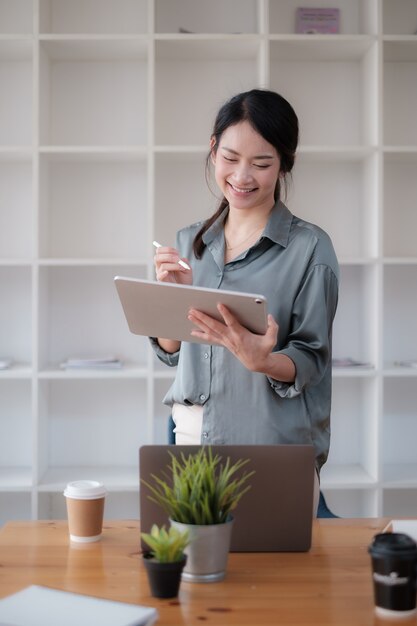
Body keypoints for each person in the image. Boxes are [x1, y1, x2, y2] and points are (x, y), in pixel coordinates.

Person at [150, 89, 339, 515]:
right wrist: (171, 301)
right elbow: (172, 351)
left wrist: (265, 361)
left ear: (285, 163)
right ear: (213, 150)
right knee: (200, 574)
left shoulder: (311, 248)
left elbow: (311, 358)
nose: (242, 176)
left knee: (281, 578)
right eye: (231, 158)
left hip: (271, 446)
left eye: (262, 163)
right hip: (191, 439)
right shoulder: (188, 241)